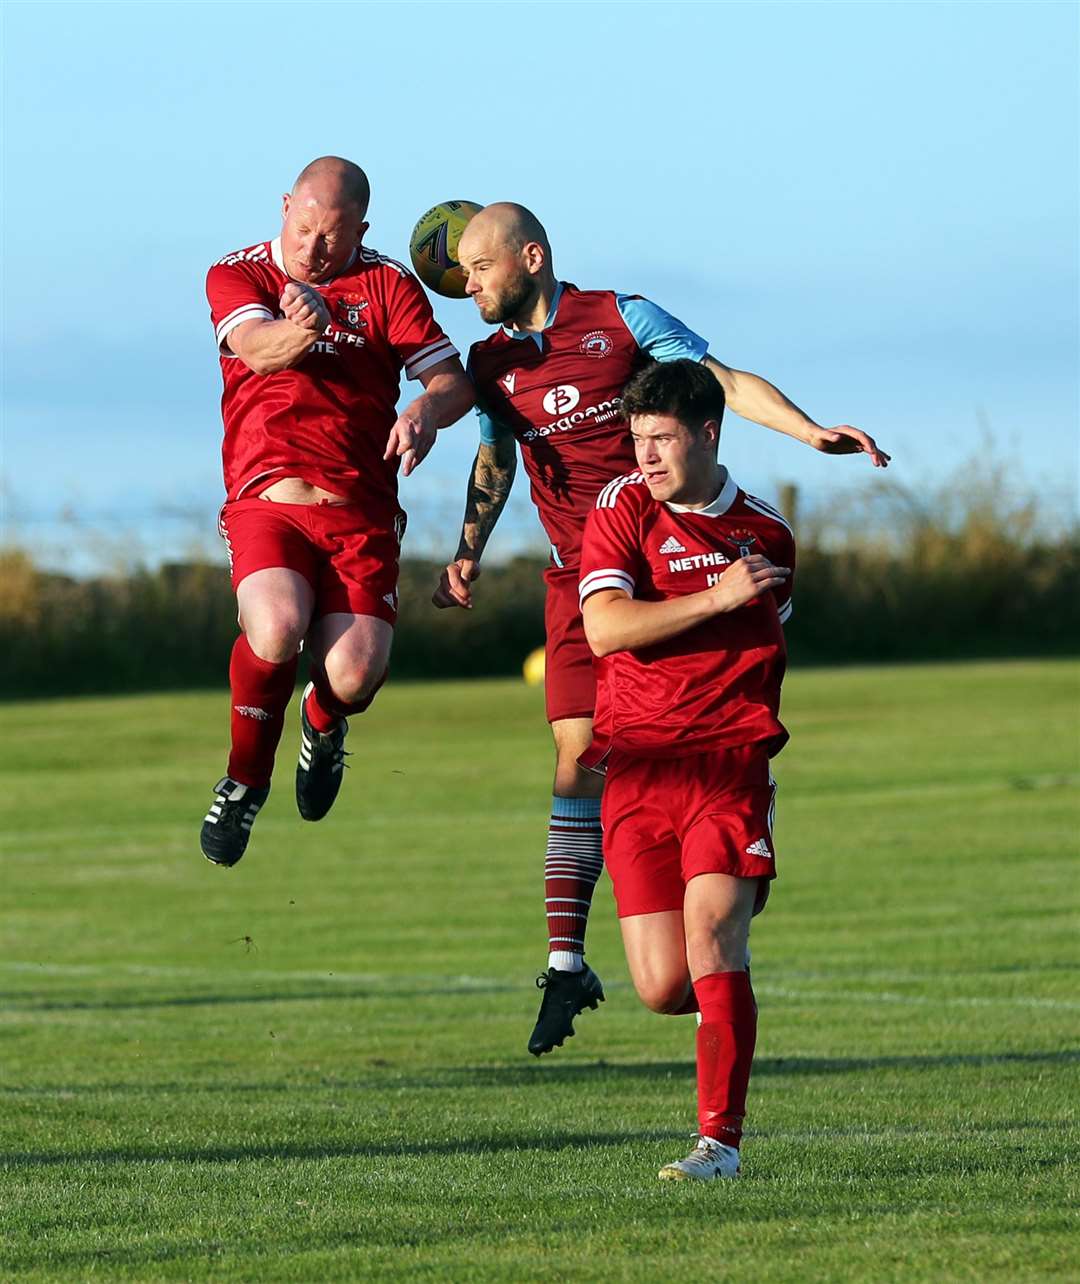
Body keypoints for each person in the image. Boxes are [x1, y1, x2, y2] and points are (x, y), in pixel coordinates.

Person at [432, 202, 886, 1057]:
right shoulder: (491, 361)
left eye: (481, 267)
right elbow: (495, 456)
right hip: (579, 578)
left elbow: (723, 381)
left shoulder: (621, 316)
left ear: (531, 257)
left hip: (668, 557)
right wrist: (466, 551)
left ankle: (732, 851)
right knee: (576, 760)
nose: (469, 284)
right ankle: (567, 959)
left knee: (691, 732)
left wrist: (809, 430)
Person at [201, 157, 473, 866]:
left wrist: (424, 410)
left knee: (352, 678)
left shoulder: (386, 284)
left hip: (361, 510)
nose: (314, 248)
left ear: (362, 229)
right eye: (304, 227)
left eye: (333, 236)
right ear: (285, 206)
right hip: (271, 499)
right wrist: (306, 328)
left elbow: (453, 382)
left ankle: (321, 726)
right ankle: (242, 784)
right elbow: (259, 351)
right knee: (277, 623)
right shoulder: (242, 274)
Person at [578, 358, 793, 1180]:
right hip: (637, 768)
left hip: (728, 762)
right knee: (666, 985)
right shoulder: (622, 508)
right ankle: (723, 953)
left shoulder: (769, 535)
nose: (647, 459)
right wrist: (716, 598)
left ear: (709, 432)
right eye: (637, 441)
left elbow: (773, 636)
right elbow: (603, 629)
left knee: (711, 933)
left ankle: (720, 1145)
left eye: (662, 440)